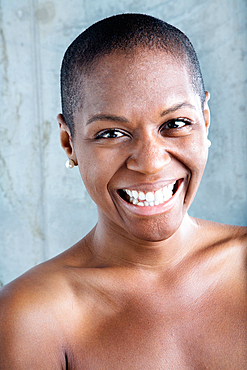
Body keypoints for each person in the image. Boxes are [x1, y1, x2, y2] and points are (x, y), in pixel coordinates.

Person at [0, 13, 246, 369]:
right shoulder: (32, 316)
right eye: (111, 134)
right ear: (69, 143)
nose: (150, 163)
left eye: (175, 124)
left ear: (204, 121)